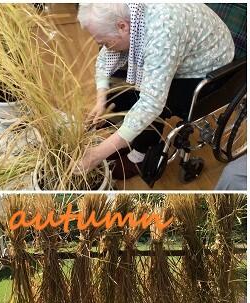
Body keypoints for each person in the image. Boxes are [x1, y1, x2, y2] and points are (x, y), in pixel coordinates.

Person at [75, 4, 235, 179]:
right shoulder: (127, 12)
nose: (105, 46)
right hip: (183, 44)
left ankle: (140, 153)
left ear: (122, 26)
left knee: (143, 96)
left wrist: (98, 154)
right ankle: (125, 135)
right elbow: (106, 56)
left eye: (105, 42)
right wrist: (100, 100)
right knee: (118, 78)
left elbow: (151, 102)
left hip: (210, 66)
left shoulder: (161, 33)